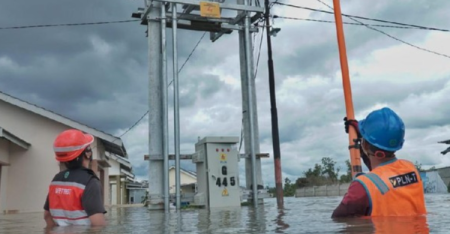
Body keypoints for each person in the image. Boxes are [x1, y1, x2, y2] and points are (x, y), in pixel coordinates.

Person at [332, 107, 427, 217]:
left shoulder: (362, 186)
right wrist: (364, 143)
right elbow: (383, 177)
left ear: (366, 145)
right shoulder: (411, 169)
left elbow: (338, 220)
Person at [43, 129, 107, 228]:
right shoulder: (90, 181)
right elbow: (98, 224)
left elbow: (47, 216)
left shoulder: (56, 180)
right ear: (87, 153)